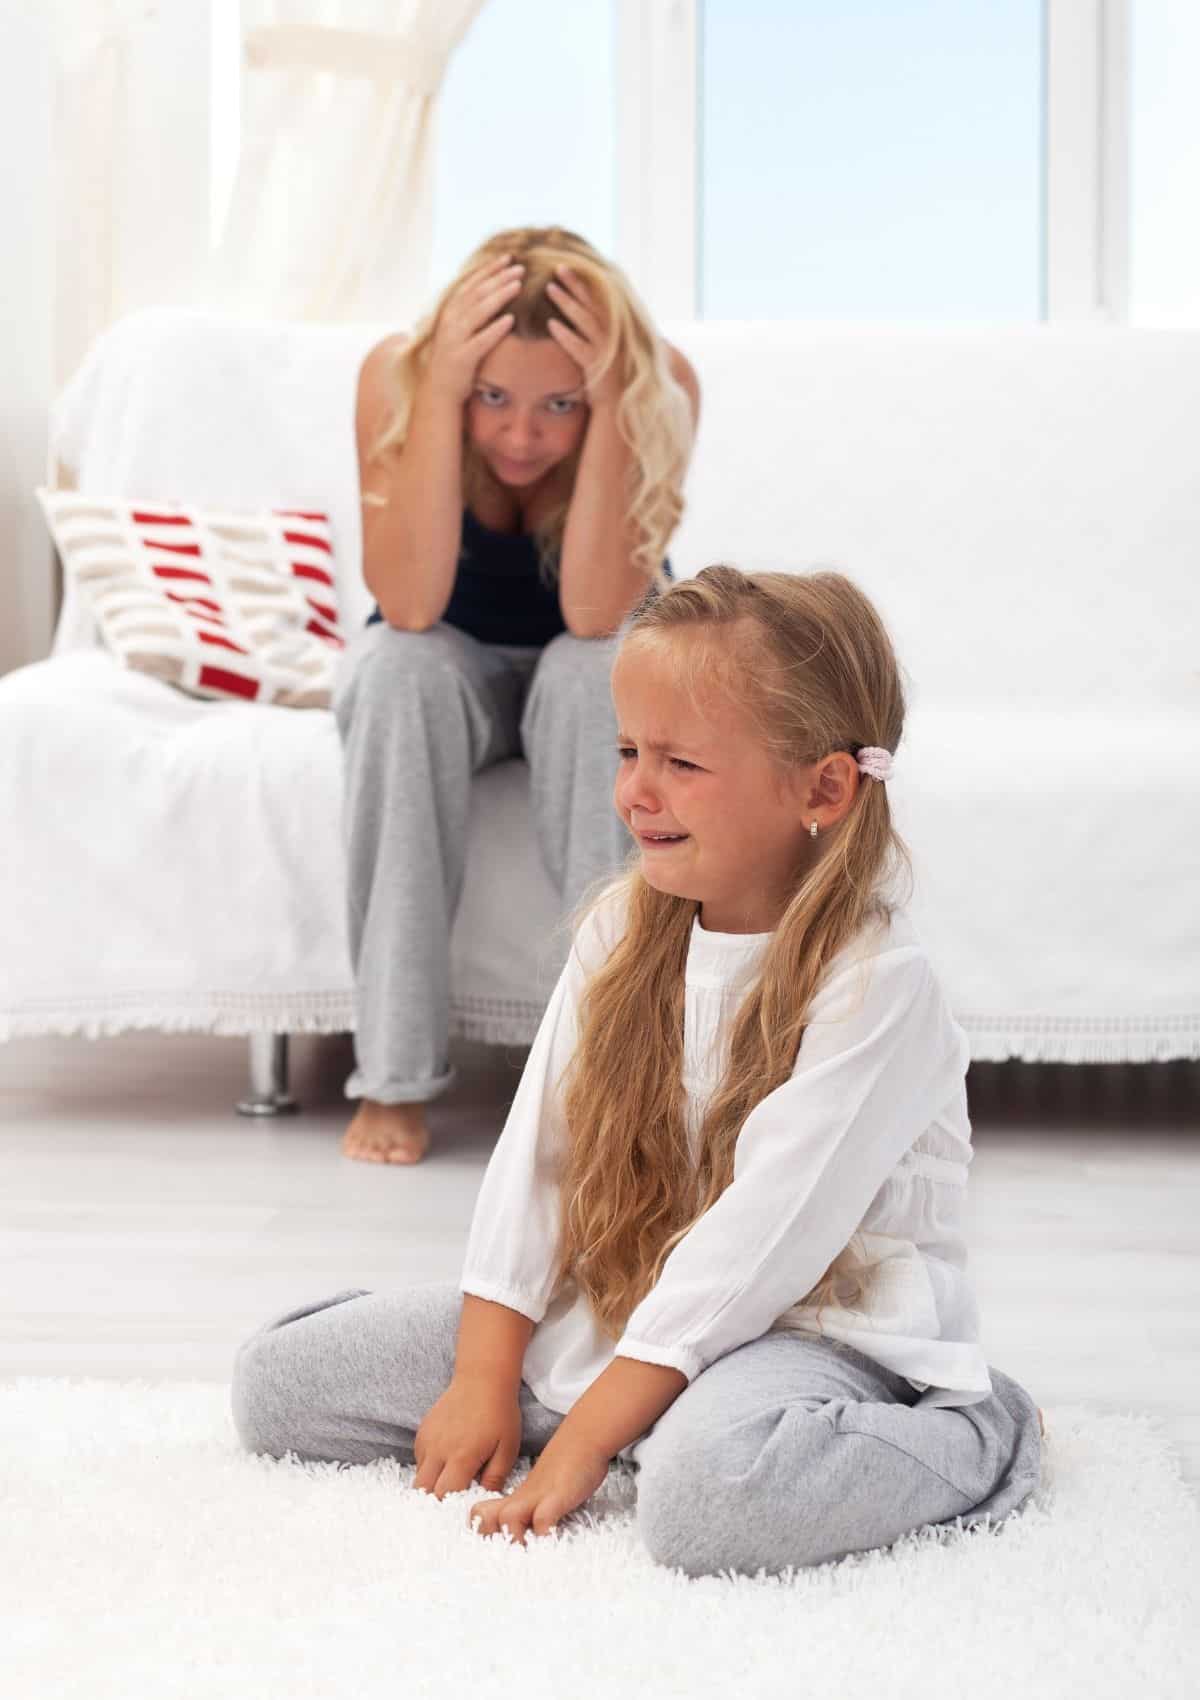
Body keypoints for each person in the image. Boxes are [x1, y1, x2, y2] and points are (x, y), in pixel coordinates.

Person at [232, 565, 1043, 1578]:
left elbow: (758, 1245)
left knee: (704, 1504)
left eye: (681, 762)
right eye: (627, 751)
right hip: (626, 1310)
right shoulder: (621, 927)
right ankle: (630, 1411)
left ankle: (979, 1429)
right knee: (277, 1384)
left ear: (822, 788)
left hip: (811, 1324)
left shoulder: (878, 982)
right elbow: (538, 1163)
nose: (634, 791)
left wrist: (579, 1442)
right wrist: (485, 1373)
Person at [337, 225, 700, 1165]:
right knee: (393, 671)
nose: (519, 435)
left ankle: (607, 1077)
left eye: (558, 405)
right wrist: (441, 393)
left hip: (595, 658)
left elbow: (591, 611)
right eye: (493, 397)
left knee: (592, 673)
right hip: (446, 660)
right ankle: (393, 1074)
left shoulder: (661, 385)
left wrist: (620, 398)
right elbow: (409, 606)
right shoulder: (397, 377)